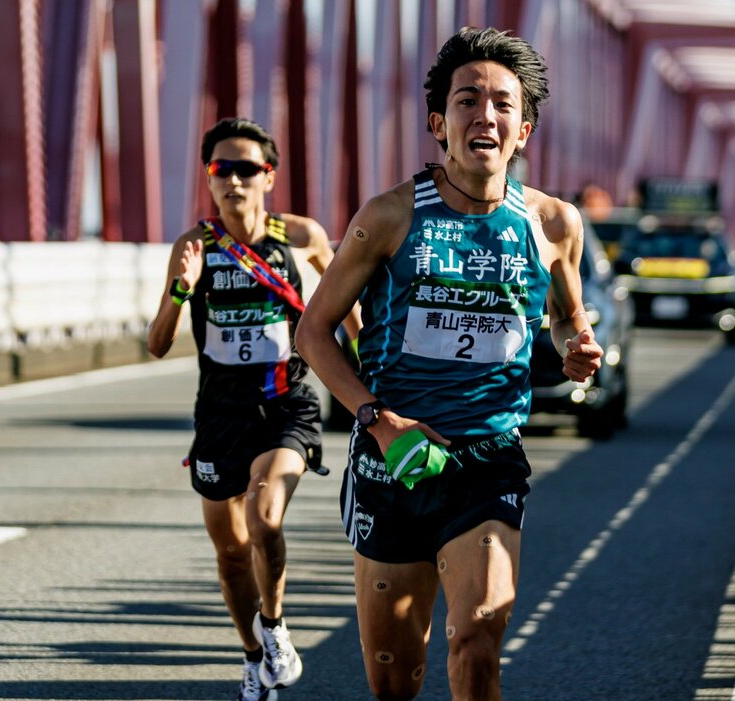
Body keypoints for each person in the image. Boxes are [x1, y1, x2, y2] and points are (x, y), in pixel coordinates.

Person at [295, 27, 603, 701]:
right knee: (393, 680)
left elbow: (567, 319)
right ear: (439, 122)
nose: (484, 116)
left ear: (524, 129)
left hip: (487, 459)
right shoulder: (390, 216)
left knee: (477, 640)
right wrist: (378, 420)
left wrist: (577, 347)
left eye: (501, 103)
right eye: (467, 101)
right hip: (393, 458)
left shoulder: (553, 224)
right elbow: (312, 333)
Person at [147, 117, 360, 701]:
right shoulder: (193, 246)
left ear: (269, 175)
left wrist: (369, 368)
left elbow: (345, 307)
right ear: (209, 177)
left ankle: (276, 625)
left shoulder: (301, 236)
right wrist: (181, 289)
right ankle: (251, 654)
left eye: (247, 169)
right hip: (218, 415)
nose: (233, 180)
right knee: (232, 554)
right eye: (222, 169)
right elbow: (158, 343)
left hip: (286, 404)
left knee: (266, 519)